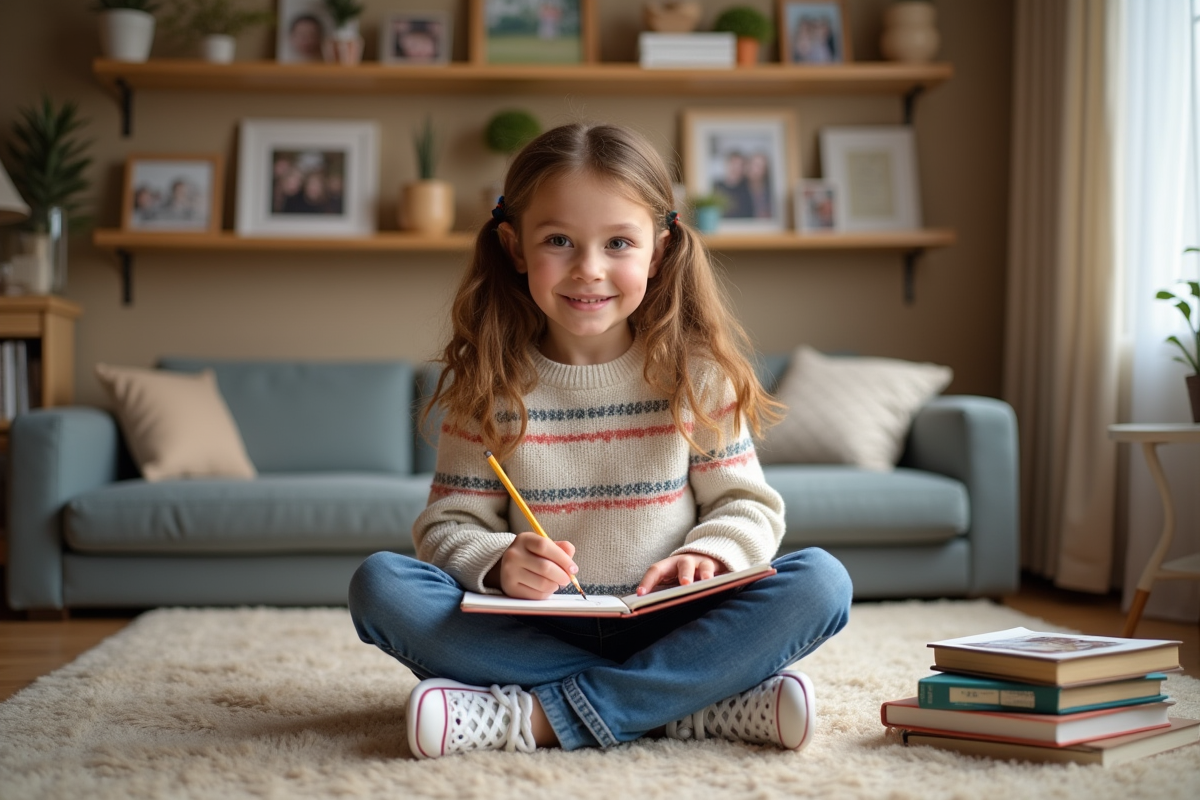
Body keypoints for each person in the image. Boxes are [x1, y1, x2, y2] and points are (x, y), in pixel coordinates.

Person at [349, 122, 852, 759]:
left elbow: (748, 507)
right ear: (515, 248)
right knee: (381, 585)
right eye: (558, 240)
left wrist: (714, 555)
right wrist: (500, 562)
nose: (590, 270)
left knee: (823, 582)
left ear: (659, 251)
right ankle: (693, 702)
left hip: (678, 623)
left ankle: (536, 718)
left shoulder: (697, 376)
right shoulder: (486, 389)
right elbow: (448, 525)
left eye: (618, 242)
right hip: (533, 632)